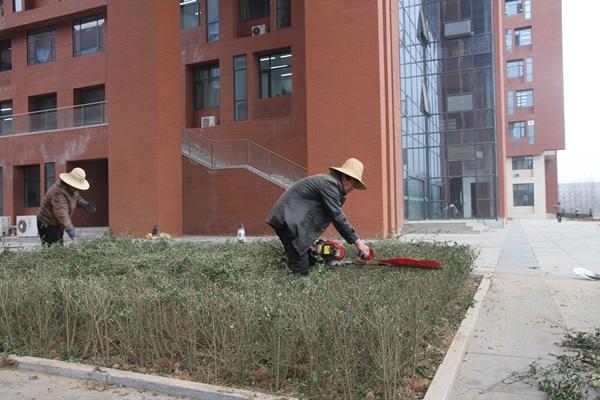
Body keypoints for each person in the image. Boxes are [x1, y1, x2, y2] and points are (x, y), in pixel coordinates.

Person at [266, 158, 371, 276]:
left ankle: (300, 282)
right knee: (300, 264)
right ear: (346, 177)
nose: (354, 188)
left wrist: (312, 240)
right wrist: (357, 242)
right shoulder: (329, 184)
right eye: (354, 183)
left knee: (310, 260)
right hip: (288, 220)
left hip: (293, 221)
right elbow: (336, 215)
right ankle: (297, 284)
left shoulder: (332, 185)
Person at [36, 167, 96, 246]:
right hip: (47, 223)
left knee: (59, 246)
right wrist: (69, 228)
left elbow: (77, 198)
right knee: (53, 249)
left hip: (57, 224)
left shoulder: (72, 189)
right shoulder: (58, 192)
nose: (77, 188)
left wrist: (86, 205)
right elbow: (61, 212)